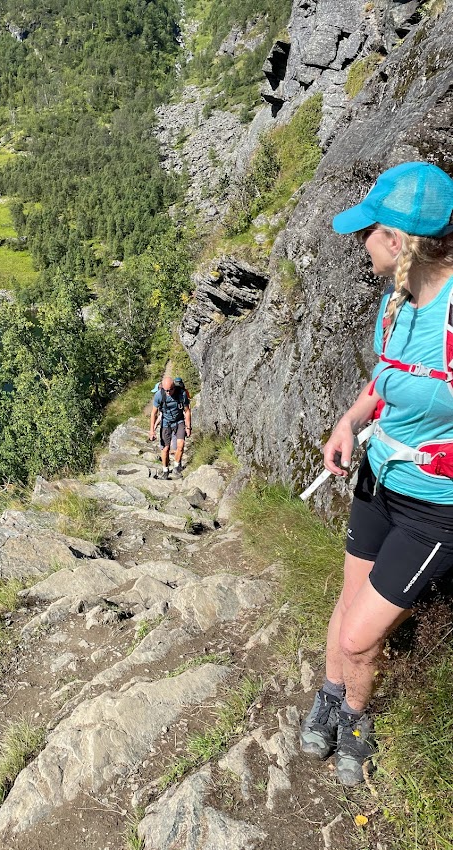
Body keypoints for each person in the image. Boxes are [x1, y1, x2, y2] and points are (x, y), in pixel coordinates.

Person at [299, 161, 453, 786]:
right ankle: (331, 697)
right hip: (377, 481)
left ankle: (356, 723)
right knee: (346, 604)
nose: (360, 243)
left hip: (434, 506)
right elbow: (384, 379)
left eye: (368, 232)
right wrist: (348, 421)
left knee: (359, 637)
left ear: (396, 239)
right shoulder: (395, 303)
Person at [149, 376, 192, 479]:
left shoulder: (181, 394)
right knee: (165, 449)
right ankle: (165, 471)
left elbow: (187, 411)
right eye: (166, 390)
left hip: (179, 421)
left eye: (170, 390)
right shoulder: (159, 395)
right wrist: (152, 430)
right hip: (165, 423)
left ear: (174, 387)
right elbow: (154, 413)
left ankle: (176, 467)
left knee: (180, 445)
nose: (168, 392)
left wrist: (188, 427)